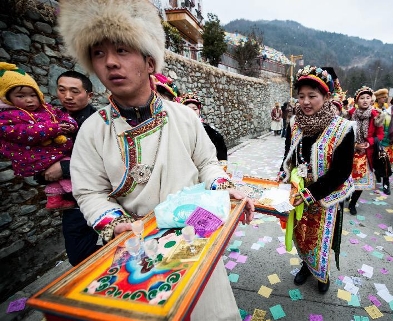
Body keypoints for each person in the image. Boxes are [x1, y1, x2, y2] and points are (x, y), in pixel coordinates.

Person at [58, 1, 254, 319]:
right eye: (98, 53)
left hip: (193, 239)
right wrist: (116, 224)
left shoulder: (183, 118)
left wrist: (223, 186)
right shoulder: (94, 131)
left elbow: (208, 161)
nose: (109, 63)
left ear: (150, 62)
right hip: (137, 247)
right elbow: (90, 193)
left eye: (122, 50)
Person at [278, 65, 354, 293]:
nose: (305, 102)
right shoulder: (295, 124)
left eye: (312, 96)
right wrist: (283, 173)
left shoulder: (343, 129)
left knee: (320, 237)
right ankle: (306, 265)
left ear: (326, 96)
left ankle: (322, 274)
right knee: (301, 233)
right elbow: (289, 153)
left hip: (325, 194)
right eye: (301, 96)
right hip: (299, 189)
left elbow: (342, 171)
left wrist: (311, 193)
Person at [0, 62, 78, 210]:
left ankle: (54, 199)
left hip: (52, 154)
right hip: (35, 157)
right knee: (67, 171)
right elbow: (24, 132)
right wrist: (53, 128)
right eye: (21, 96)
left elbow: (62, 115)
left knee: (58, 172)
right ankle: (78, 193)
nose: (29, 100)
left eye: (33, 95)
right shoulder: (7, 117)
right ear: (7, 98)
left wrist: (70, 124)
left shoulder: (46, 109)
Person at [45, 70, 101, 266]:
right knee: (78, 255)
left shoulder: (98, 122)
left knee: (83, 254)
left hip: (95, 196)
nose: (67, 96)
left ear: (89, 95)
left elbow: (102, 161)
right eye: (62, 90)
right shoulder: (52, 119)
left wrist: (64, 167)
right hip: (71, 201)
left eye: (74, 91)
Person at [347, 86, 384, 215]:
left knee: (361, 181)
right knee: (347, 177)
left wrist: (369, 143)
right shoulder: (350, 114)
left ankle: (353, 203)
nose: (365, 100)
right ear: (357, 101)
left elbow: (380, 135)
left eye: (368, 98)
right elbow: (345, 133)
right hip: (351, 151)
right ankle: (346, 195)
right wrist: (354, 144)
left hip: (366, 154)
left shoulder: (376, 116)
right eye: (362, 98)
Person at [180, 91, 228, 163]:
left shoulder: (207, 129)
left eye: (195, 109)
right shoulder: (177, 128)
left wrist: (221, 163)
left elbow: (219, 144)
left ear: (199, 111)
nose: (192, 111)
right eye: (188, 109)